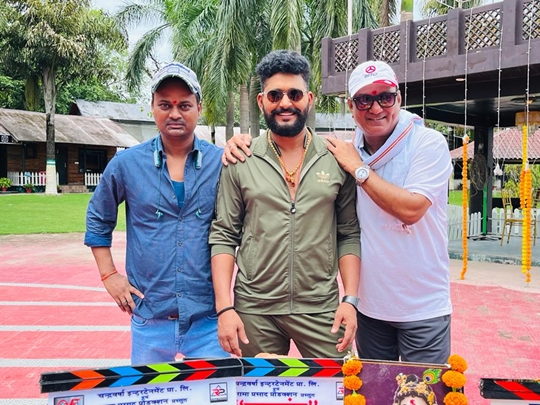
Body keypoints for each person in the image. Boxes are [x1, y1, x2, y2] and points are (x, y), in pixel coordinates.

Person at [209, 50, 361, 358]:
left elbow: (348, 234)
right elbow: (224, 235)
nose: (285, 103)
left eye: (295, 94)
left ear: (309, 99)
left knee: (340, 383)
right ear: (261, 101)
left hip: (320, 307)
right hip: (255, 308)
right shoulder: (241, 158)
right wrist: (224, 308)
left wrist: (350, 300)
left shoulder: (335, 158)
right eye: (275, 95)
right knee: (258, 387)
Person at [84, 62, 230, 364]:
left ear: (199, 108)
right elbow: (98, 218)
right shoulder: (127, 164)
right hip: (150, 318)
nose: (175, 113)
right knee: (150, 390)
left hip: (208, 321)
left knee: (214, 390)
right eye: (165, 105)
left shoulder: (222, 164)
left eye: (184, 105)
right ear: (152, 107)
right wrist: (109, 275)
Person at [325, 60, 453, 364]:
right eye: (364, 100)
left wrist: (358, 169)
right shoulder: (349, 149)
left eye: (385, 97)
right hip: (370, 307)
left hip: (423, 307)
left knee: (423, 389)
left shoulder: (427, 143)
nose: (376, 108)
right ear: (351, 106)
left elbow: (411, 209)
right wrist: (242, 143)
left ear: (399, 98)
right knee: (376, 388)